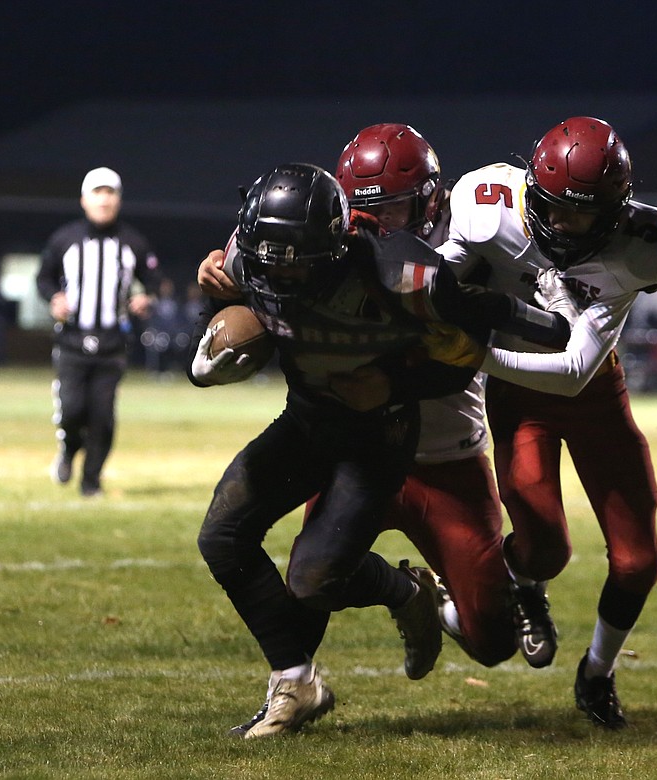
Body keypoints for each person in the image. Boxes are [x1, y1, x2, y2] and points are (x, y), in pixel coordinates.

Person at [190, 163, 574, 738]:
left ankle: (405, 591)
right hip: (308, 421)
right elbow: (243, 305)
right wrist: (213, 306)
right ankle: (296, 682)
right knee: (221, 537)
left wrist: (397, 384)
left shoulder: (403, 272)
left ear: (333, 245)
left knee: (314, 582)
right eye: (266, 256)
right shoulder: (255, 253)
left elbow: (473, 339)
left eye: (292, 260)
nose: (278, 272)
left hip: (377, 438)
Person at [424, 117, 657, 728]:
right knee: (546, 548)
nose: (568, 226)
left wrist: (475, 354)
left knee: (637, 562)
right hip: (520, 398)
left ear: (618, 212)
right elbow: (439, 280)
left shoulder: (647, 244)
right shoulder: (489, 206)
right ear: (531, 194)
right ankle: (527, 587)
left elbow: (575, 370)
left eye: (586, 215)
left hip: (595, 390)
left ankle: (596, 674)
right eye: (557, 211)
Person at [330, 123, 519, 668]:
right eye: (366, 208)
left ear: (431, 198)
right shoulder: (338, 240)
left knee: (493, 642)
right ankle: (408, 595)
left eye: (392, 208)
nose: (376, 222)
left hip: (449, 458)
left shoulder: (474, 245)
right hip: (365, 455)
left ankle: (446, 600)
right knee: (313, 576)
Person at [37, 167, 160, 497]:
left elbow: (153, 281)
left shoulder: (133, 242)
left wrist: (144, 298)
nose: (103, 200)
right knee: (72, 410)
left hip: (112, 343)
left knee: (103, 416)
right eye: (97, 193)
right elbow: (43, 278)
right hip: (73, 339)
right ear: (84, 199)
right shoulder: (64, 239)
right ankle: (68, 451)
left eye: (110, 193)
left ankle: (91, 482)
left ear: (118, 200)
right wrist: (53, 299)